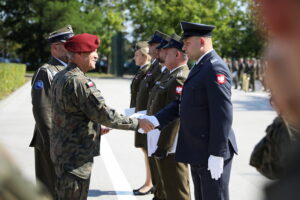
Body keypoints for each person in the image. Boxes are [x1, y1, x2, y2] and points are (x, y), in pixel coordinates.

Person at [50, 33, 153, 200]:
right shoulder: (79, 82)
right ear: (78, 55)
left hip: (63, 151)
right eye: (92, 51)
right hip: (75, 156)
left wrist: (95, 127)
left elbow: (70, 113)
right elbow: (106, 115)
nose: (96, 56)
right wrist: (138, 123)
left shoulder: (61, 76)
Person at [143, 21, 238, 200]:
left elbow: (222, 113)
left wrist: (217, 153)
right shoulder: (201, 66)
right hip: (199, 149)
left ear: (201, 42)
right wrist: (156, 120)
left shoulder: (214, 67)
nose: (184, 48)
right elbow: (182, 103)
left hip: (211, 149)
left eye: (187, 43)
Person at [29, 25, 74, 198]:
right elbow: (42, 109)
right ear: (55, 47)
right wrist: (52, 144)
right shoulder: (45, 72)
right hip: (52, 140)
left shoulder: (67, 70)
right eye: (67, 44)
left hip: (67, 140)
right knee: (52, 190)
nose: (72, 48)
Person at [147, 34, 191, 200]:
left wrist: (164, 145)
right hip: (160, 139)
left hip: (170, 144)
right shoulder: (170, 75)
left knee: (177, 190)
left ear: (177, 55)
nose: (163, 54)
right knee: (165, 188)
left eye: (168, 52)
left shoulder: (180, 78)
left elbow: (176, 115)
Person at [132, 31, 170, 199]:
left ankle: (153, 186)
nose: (154, 49)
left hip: (155, 121)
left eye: (156, 46)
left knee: (157, 158)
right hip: (146, 118)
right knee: (149, 153)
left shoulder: (163, 70)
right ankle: (156, 187)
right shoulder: (155, 67)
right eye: (154, 47)